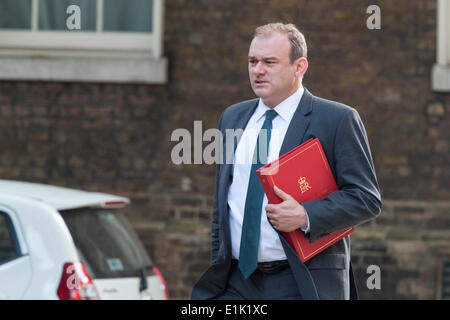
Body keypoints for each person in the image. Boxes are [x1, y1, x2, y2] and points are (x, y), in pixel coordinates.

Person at [191, 22, 381, 300]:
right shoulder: (232, 118)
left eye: (269, 62)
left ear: (299, 67)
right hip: (235, 282)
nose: (257, 70)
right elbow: (225, 202)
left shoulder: (337, 120)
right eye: (252, 61)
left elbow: (366, 199)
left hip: (300, 280)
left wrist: (305, 215)